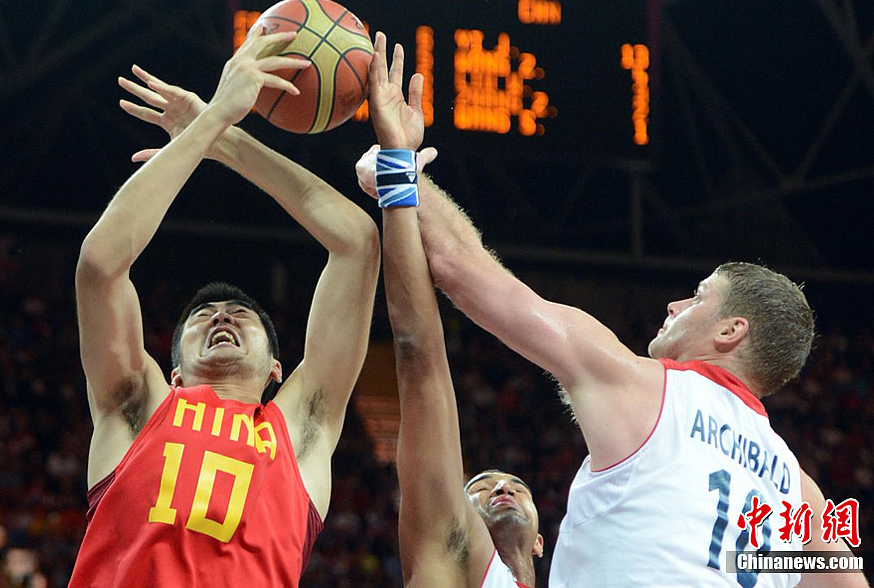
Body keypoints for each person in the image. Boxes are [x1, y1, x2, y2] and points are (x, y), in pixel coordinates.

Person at [356, 38, 868, 587]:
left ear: (730, 330)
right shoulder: (798, 491)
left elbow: (468, 274)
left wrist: (400, 172)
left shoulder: (639, 385)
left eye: (698, 297)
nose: (675, 305)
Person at [69, 26, 381, 586]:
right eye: (201, 317)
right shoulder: (138, 406)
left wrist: (222, 140)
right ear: (173, 372)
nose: (220, 315)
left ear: (277, 369)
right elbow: (99, 266)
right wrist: (212, 119)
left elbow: (357, 242)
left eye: (242, 316)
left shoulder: (301, 430)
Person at [369, 32, 542, 587]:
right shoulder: (450, 548)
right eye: (480, 488)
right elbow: (417, 353)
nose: (501, 487)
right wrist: (397, 167)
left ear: (543, 540)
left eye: (514, 486)